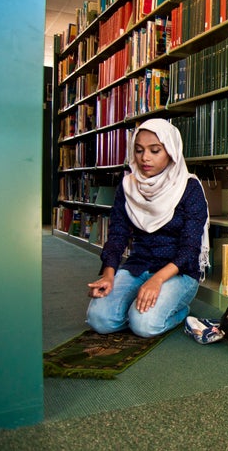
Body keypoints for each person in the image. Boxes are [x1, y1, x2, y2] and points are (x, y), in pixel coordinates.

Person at [86, 118, 210, 338]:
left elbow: (190, 249)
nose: (145, 158)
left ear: (171, 151)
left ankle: (179, 311)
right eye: (139, 150)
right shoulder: (127, 187)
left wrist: (157, 280)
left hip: (178, 272)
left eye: (155, 150)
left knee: (144, 325)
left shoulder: (189, 188)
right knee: (99, 320)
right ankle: (136, 308)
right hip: (138, 265)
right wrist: (108, 274)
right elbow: (117, 235)